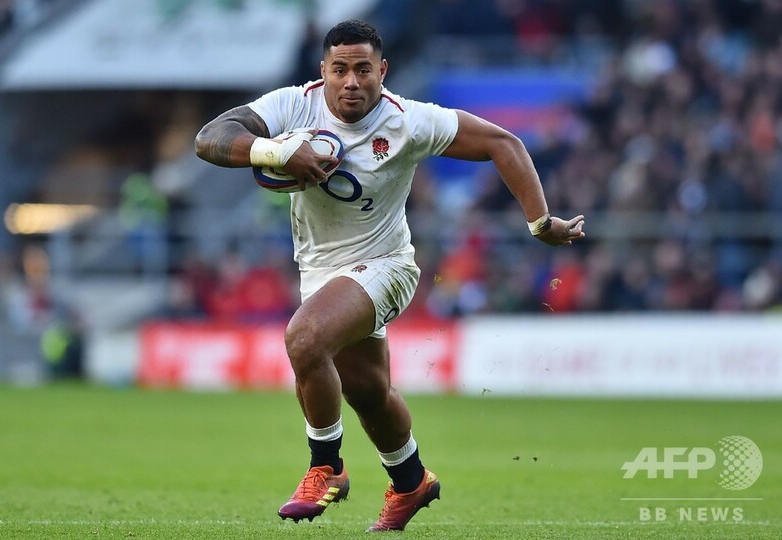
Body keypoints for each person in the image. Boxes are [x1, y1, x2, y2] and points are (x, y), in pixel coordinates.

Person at [194, 19, 585, 532]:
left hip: (387, 266)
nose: (351, 82)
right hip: (321, 271)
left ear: (383, 70)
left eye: (363, 70)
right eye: (340, 70)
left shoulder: (408, 121)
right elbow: (209, 139)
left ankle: (326, 467)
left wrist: (540, 222)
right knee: (367, 392)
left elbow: (503, 142)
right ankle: (411, 481)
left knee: (305, 338)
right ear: (323, 71)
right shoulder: (293, 105)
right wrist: (277, 150)